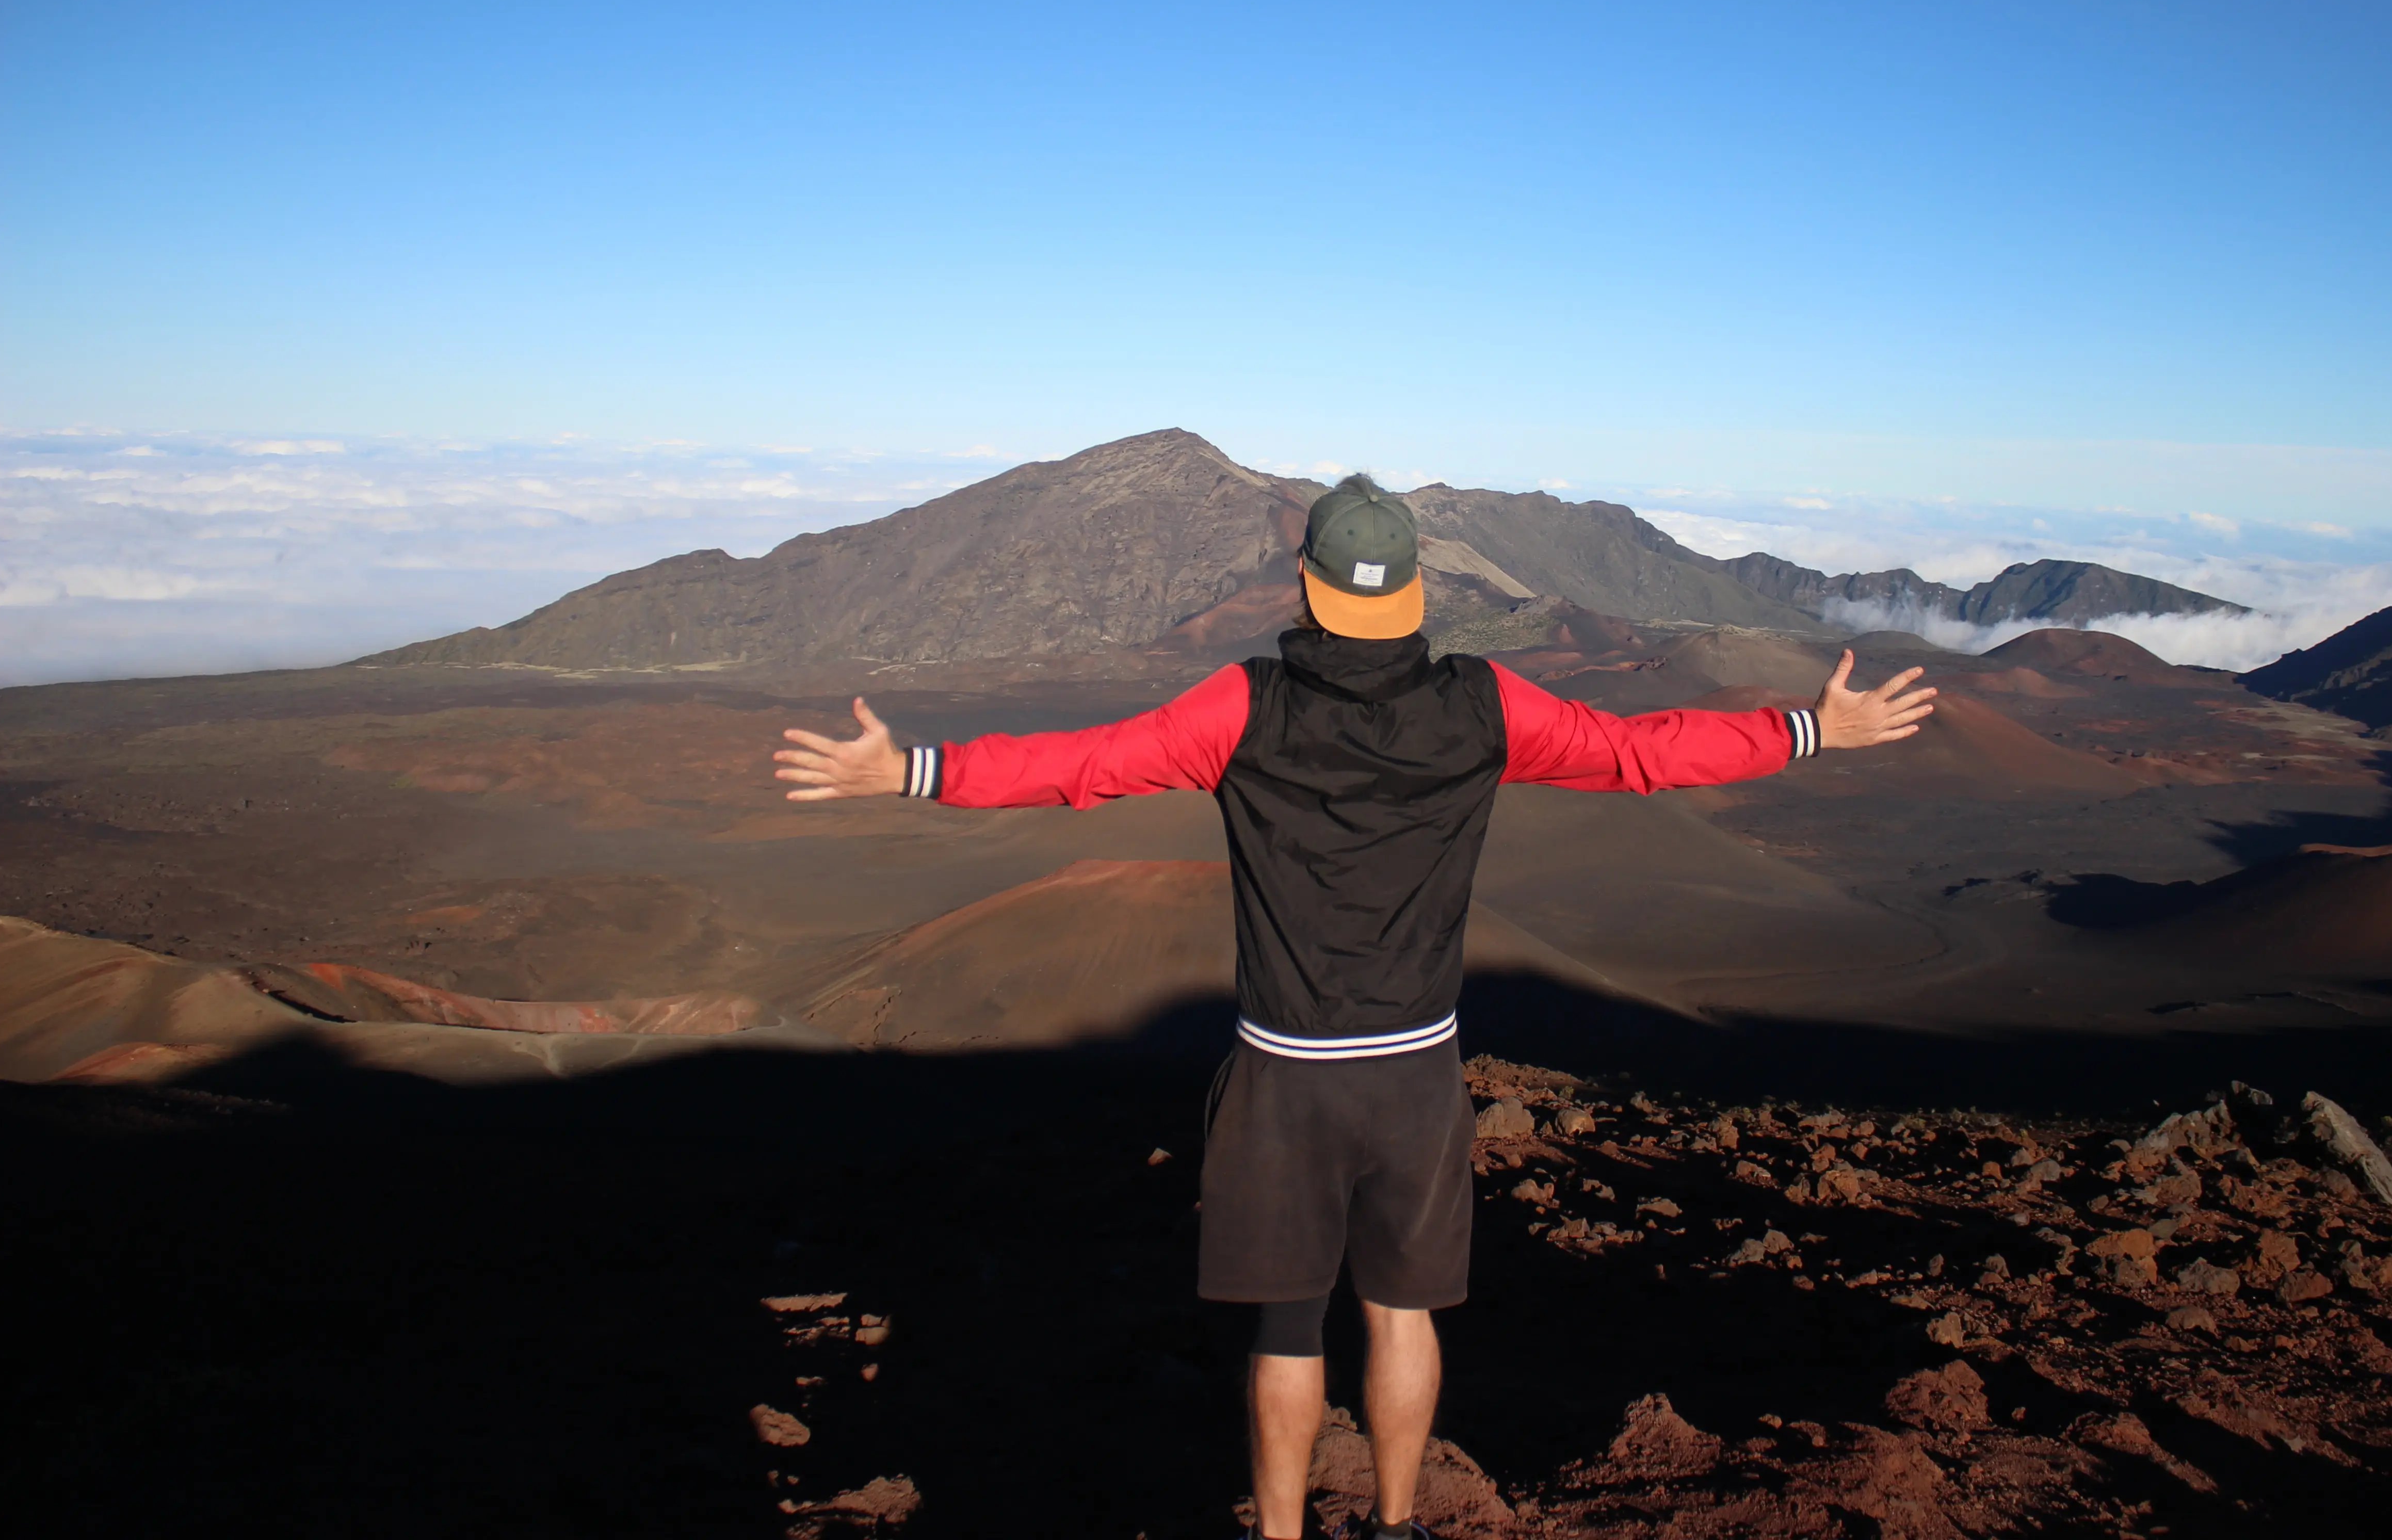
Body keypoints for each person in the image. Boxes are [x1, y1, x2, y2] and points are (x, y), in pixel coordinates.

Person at [772, 475, 1936, 1540]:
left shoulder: (1243, 705)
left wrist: (913, 771)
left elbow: (1086, 766)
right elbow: (1640, 753)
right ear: (1418, 591)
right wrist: (1813, 729)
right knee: (1400, 1314)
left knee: (1287, 1330)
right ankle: (1394, 1527)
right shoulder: (1485, 704)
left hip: (1283, 1073)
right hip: (1416, 1076)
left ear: (1307, 588)